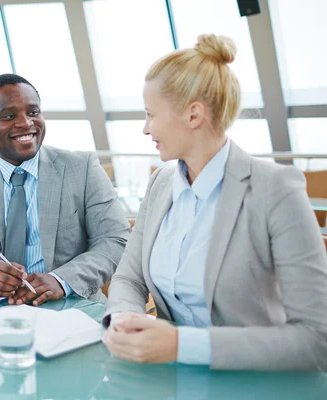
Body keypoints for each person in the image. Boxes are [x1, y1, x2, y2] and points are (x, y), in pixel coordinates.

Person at [103, 34, 327, 371]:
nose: (145, 128)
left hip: (255, 382)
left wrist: (182, 345)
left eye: (151, 114)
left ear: (193, 115)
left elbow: (316, 339)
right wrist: (124, 320)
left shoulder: (275, 190)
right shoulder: (161, 184)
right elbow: (127, 279)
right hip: (167, 377)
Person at [0, 73, 130, 305]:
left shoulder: (83, 168)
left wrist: (61, 280)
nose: (26, 123)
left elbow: (115, 239)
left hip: (72, 306)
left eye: (33, 112)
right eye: (9, 116)